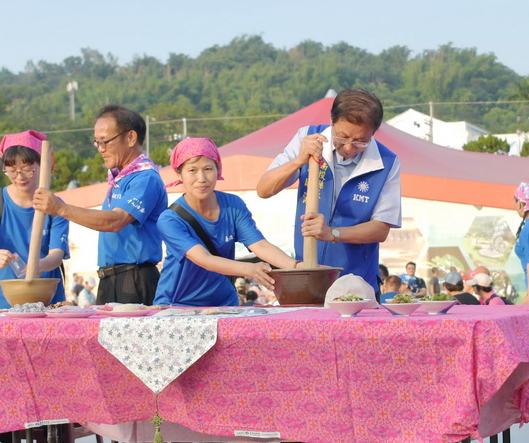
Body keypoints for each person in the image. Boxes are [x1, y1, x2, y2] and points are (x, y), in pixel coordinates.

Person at [256, 88, 403, 285]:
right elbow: (264, 189)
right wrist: (299, 160)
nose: (349, 148)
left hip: (358, 281)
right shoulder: (307, 137)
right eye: (342, 136)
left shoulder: (387, 162)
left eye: (360, 141)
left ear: (373, 133)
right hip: (307, 275)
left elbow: (380, 229)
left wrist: (332, 233)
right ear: (332, 121)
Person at [36, 105, 166, 306]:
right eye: (97, 142)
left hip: (134, 279)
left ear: (131, 138)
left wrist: (61, 209)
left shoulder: (145, 178)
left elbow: (115, 221)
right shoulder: (119, 179)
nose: (100, 149)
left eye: (105, 141)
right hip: (110, 279)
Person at [155, 137, 296, 306]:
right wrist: (251, 269)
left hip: (225, 304)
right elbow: (205, 259)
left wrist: (297, 267)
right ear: (179, 174)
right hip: (178, 306)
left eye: (208, 169)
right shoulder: (170, 219)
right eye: (192, 170)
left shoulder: (233, 205)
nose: (201, 178)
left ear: (218, 169)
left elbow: (260, 245)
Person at [0, 131, 69, 309]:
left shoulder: (56, 206)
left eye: (27, 169)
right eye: (11, 171)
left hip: (47, 297)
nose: (19, 177)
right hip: (2, 299)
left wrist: (40, 265)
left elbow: (57, 254)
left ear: (41, 165)